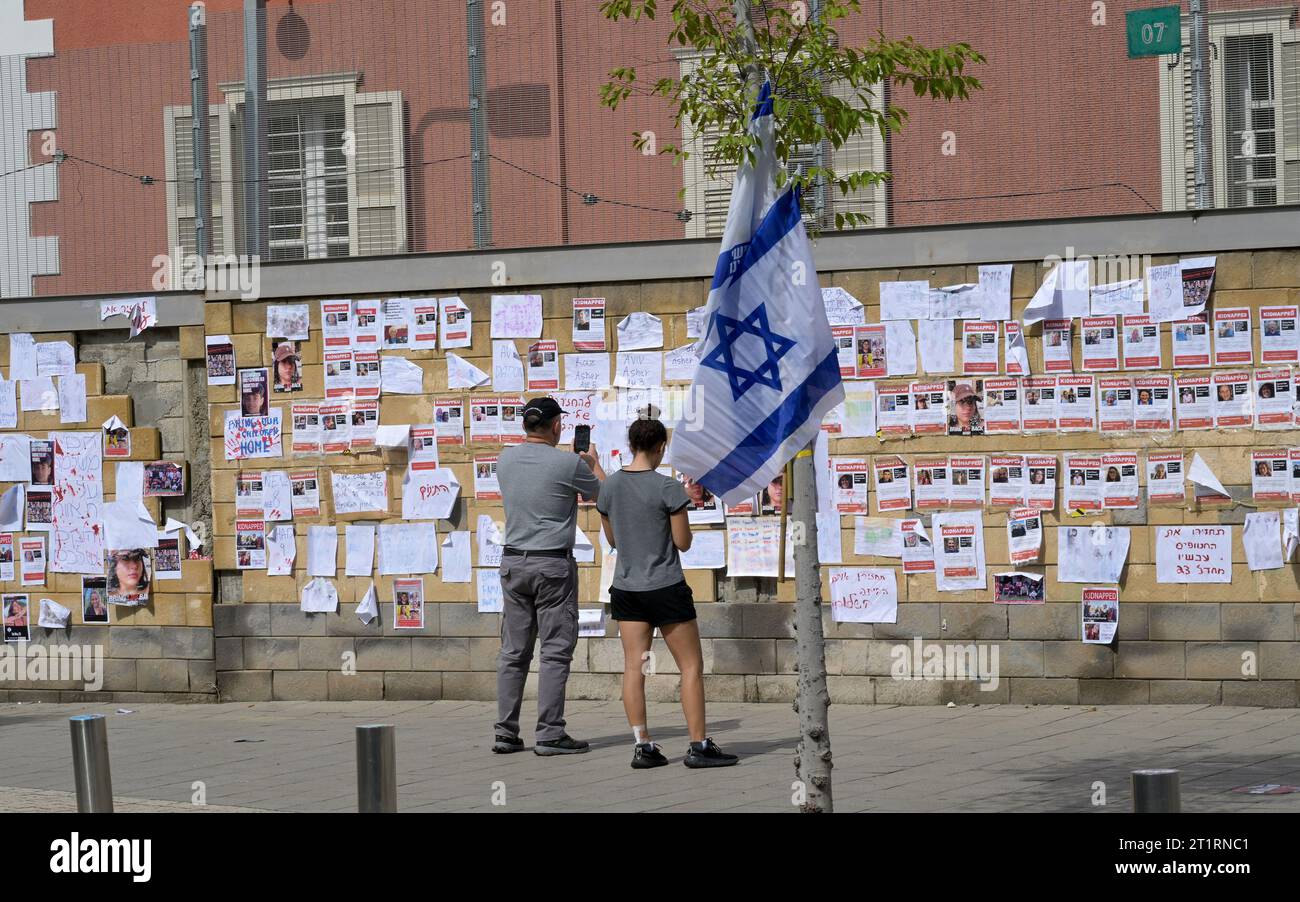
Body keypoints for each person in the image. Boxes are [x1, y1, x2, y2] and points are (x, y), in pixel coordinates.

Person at [598, 417, 738, 770]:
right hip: (666, 587)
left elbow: (613, 541)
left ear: (631, 446)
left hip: (627, 588)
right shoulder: (668, 488)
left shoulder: (609, 487)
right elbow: (683, 543)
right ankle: (698, 745)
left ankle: (643, 745)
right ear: (660, 447)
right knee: (690, 666)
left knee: (635, 667)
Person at [493, 397, 605, 756]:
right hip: (551, 566)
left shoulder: (504, 459)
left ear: (525, 425)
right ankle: (550, 732)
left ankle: (506, 732)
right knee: (555, 651)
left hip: (513, 563)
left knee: (513, 651)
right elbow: (603, 494)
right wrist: (592, 464)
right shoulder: (568, 462)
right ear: (556, 426)